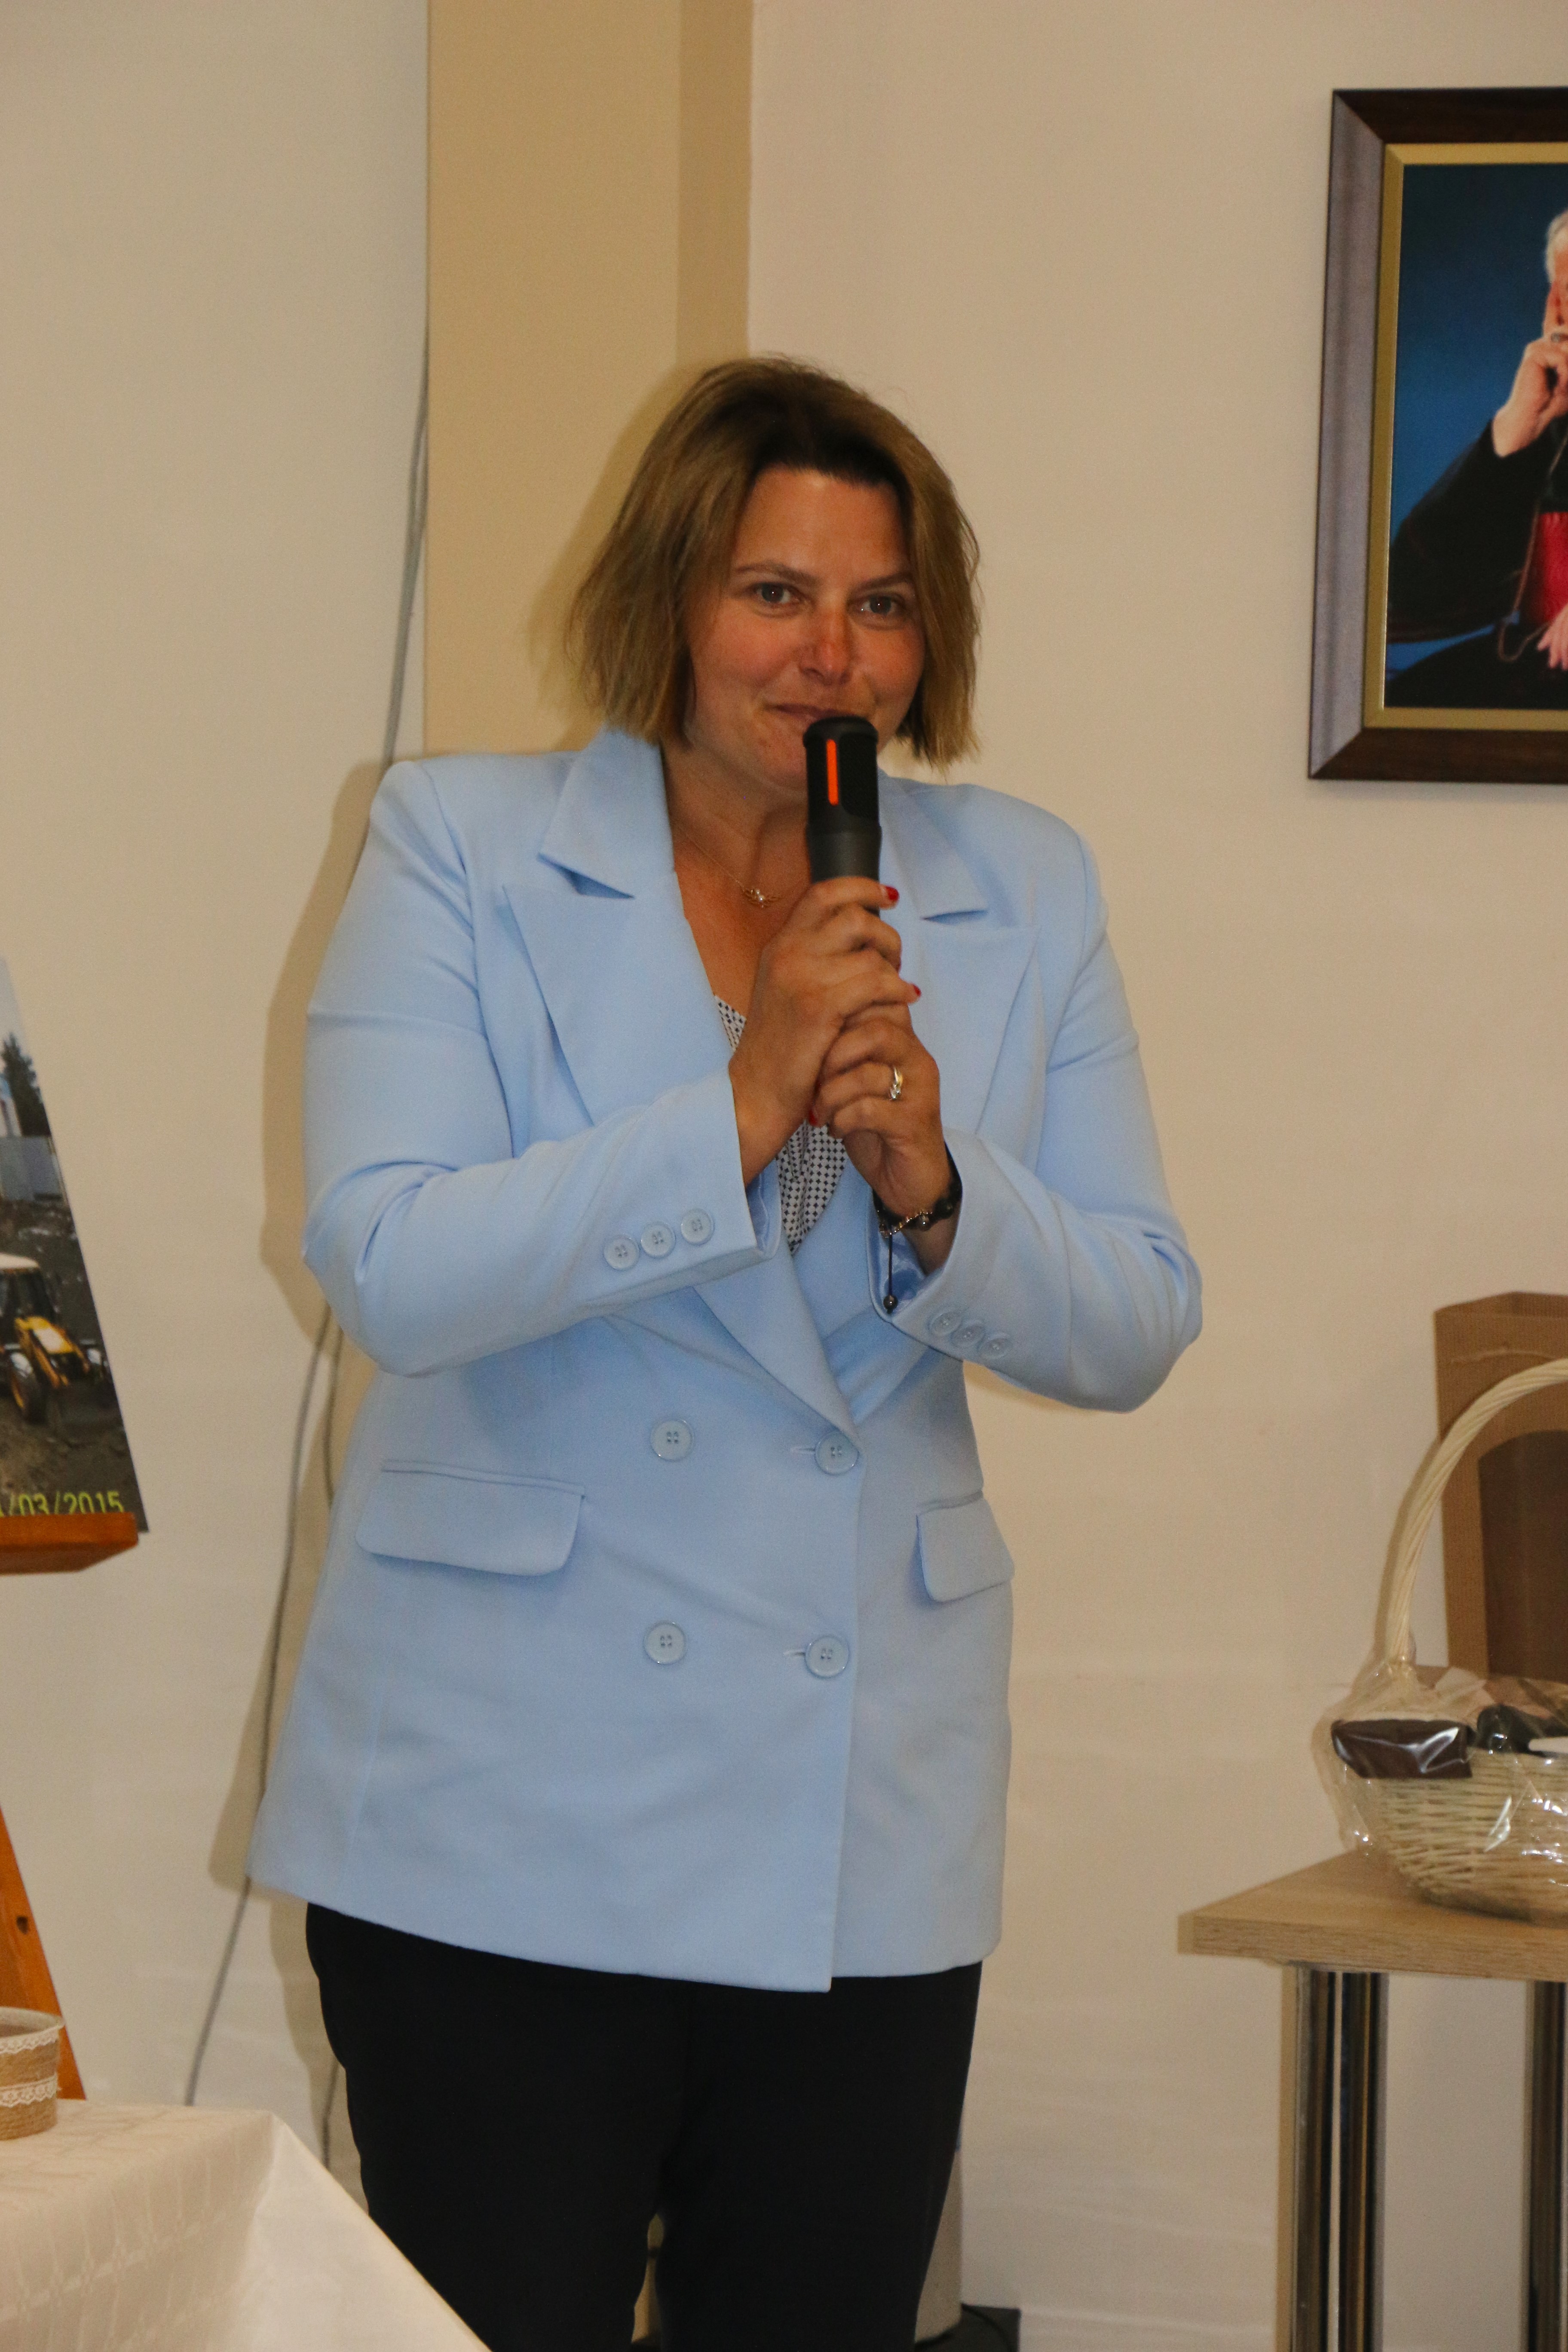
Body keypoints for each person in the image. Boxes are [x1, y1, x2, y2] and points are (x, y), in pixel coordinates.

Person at [250, 358, 1201, 2352]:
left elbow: (1133, 1316)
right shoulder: (459, 846)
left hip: (857, 1827)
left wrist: (941, 1189)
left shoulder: (1022, 884)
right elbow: (392, 1261)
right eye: (775, 592)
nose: (829, 651)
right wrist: (741, 1105)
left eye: (880, 602)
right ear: (671, 602)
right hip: (498, 1823)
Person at [1387, 205, 1568, 707]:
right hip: (1539, 668)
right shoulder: (1549, 427)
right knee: (1405, 706)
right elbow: (1410, 592)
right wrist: (1515, 429)